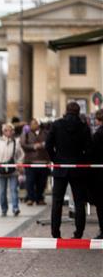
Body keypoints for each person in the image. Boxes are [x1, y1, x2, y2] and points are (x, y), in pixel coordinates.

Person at [46, 102, 92, 239]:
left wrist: (56, 159)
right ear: (78, 112)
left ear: (66, 111)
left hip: (60, 168)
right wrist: (81, 161)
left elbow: (48, 145)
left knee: (57, 202)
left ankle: (55, 233)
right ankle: (78, 233)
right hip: (78, 168)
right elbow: (89, 149)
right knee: (79, 202)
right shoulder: (84, 127)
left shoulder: (57, 124)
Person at [0, 123, 24, 217]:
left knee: (14, 189)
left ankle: (15, 208)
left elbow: (21, 155)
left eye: (10, 130)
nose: (8, 132)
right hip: (1, 170)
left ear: (13, 131)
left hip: (13, 170)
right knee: (2, 191)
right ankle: (4, 209)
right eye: (6, 130)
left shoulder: (16, 142)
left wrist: (19, 163)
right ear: (3, 131)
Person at [20, 118, 49, 206]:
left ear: (38, 125)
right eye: (32, 124)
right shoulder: (26, 133)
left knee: (42, 182)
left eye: (35, 123)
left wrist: (42, 145)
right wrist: (34, 146)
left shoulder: (45, 133)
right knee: (30, 181)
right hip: (30, 161)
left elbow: (49, 143)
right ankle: (30, 198)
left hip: (43, 161)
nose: (33, 125)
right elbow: (23, 144)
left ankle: (40, 198)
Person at [88, 109, 103, 239]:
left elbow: (91, 153)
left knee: (101, 204)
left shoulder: (98, 135)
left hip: (100, 174)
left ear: (98, 120)